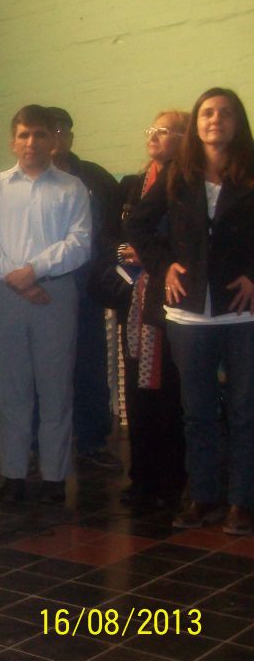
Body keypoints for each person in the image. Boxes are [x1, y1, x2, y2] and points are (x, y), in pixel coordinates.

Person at [126, 88, 254, 536]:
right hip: (188, 313)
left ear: (238, 122)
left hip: (243, 312)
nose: (215, 119)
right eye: (207, 113)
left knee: (244, 410)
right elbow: (138, 223)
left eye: (225, 113)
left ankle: (242, 501)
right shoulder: (178, 174)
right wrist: (164, 266)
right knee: (197, 411)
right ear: (197, 124)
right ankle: (203, 496)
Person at [0, 105, 91, 504]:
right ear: (13, 141)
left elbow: (79, 243)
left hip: (55, 295)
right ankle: (14, 474)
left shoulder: (72, 188)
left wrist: (35, 270)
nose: (31, 142)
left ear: (52, 139)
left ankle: (55, 477)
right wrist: (18, 278)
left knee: (56, 389)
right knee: (13, 389)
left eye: (39, 134)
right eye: (23, 134)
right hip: (6, 296)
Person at [92, 111, 188, 508]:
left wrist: (151, 253)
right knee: (135, 388)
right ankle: (142, 477)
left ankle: (171, 480)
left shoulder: (188, 185)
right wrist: (125, 251)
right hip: (132, 298)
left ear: (185, 139)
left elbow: (190, 241)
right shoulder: (134, 184)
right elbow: (113, 234)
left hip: (171, 298)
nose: (154, 135)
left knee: (168, 391)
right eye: (153, 129)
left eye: (165, 131)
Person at [48, 107, 123, 471]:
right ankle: (39, 446)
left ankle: (92, 442)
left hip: (87, 287)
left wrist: (106, 268)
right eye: (50, 130)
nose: (58, 137)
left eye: (64, 131)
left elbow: (116, 226)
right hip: (44, 287)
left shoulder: (95, 177)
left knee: (90, 366)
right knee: (43, 368)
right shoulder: (27, 179)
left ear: (71, 137)